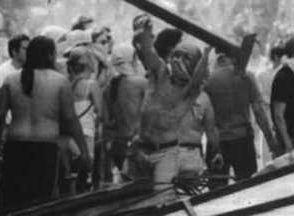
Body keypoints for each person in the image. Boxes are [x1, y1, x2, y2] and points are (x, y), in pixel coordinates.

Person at [0, 36, 91, 207]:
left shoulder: (11, 80)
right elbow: (71, 120)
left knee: (14, 201)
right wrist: (84, 151)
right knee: (40, 204)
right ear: (51, 55)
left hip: (15, 146)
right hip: (45, 149)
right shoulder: (60, 82)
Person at [132, 16, 212, 191]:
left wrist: (206, 54)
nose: (177, 61)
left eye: (185, 58)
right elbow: (148, 53)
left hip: (166, 153)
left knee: (163, 200)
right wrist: (144, 33)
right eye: (176, 56)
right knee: (134, 199)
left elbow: (197, 80)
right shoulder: (160, 74)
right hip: (141, 148)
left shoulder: (190, 93)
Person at [204, 49, 278, 187]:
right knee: (247, 188)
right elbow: (259, 112)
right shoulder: (246, 77)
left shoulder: (209, 80)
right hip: (242, 140)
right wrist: (270, 140)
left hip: (217, 143)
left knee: (216, 193)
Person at [102, 44, 146, 178]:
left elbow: (106, 119)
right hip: (139, 144)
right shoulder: (141, 83)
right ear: (132, 60)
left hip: (118, 145)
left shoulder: (108, 87)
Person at [66, 45, 105, 191]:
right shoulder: (91, 85)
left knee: (71, 177)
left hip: (69, 136)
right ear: (89, 63)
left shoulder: (66, 84)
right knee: (86, 177)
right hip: (87, 136)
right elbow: (101, 114)